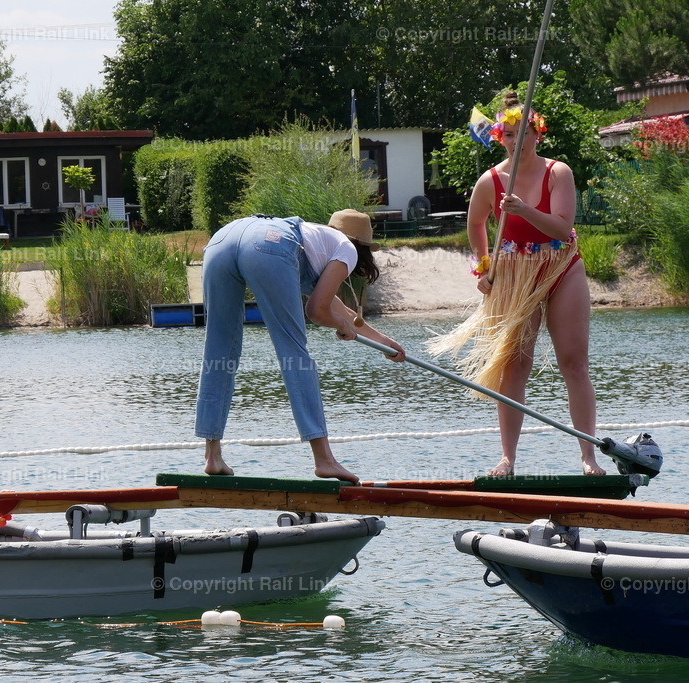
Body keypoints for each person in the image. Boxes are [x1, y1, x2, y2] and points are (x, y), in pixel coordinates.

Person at [428, 91, 604, 477]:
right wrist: (483, 267)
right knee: (513, 365)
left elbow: (560, 226)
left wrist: (524, 209)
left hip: (561, 265)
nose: (517, 139)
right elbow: (475, 225)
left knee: (574, 362)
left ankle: (589, 456)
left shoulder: (558, 172)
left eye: (524, 132)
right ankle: (507, 458)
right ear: (499, 137)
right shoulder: (490, 180)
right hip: (513, 271)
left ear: (537, 135)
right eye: (509, 133)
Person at [195, 210, 406, 485]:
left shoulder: (316, 238)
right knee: (294, 354)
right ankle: (325, 461)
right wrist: (341, 325)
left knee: (219, 350)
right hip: (268, 244)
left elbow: (334, 307)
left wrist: (382, 343)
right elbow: (317, 311)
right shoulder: (345, 248)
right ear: (362, 247)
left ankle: (212, 455)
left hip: (222, 238)